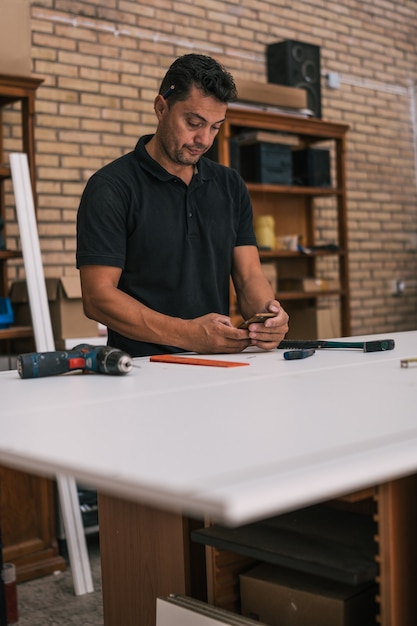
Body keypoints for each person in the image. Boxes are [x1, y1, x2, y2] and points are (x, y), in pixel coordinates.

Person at [76, 53, 289, 357]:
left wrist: (268, 317)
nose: (203, 139)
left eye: (215, 127)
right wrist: (187, 334)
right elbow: (97, 297)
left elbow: (249, 275)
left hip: (217, 364)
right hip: (141, 371)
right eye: (193, 123)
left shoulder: (230, 185)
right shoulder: (111, 187)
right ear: (161, 107)